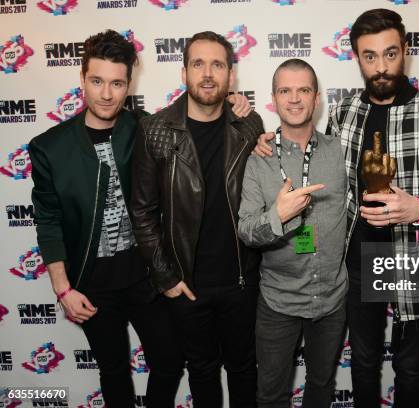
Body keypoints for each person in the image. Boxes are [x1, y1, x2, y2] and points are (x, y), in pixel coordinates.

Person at [254, 9, 419, 407]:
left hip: (413, 262)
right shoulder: (345, 113)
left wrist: (416, 207)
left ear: (406, 51)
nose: (381, 66)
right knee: (362, 363)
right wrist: (266, 139)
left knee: (411, 367)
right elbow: (313, 160)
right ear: (357, 58)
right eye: (370, 56)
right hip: (357, 263)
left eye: (390, 53)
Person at [30, 30, 183, 407]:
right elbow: (47, 220)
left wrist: (233, 105)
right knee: (113, 371)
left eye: (117, 83)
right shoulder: (50, 148)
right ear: (82, 78)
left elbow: (197, 117)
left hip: (147, 278)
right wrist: (63, 288)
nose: (106, 94)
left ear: (129, 84)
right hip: (92, 286)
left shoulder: (144, 128)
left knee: (168, 361)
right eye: (97, 81)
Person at [130, 31, 264, 408]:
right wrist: (166, 277)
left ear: (231, 76)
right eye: (198, 64)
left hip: (241, 279)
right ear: (184, 72)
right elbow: (141, 211)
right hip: (187, 284)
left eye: (217, 64)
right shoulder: (155, 131)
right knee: (202, 371)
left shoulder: (248, 125)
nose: (208, 73)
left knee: (243, 369)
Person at [238, 59, 347, 407]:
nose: (295, 99)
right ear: (273, 98)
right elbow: (245, 229)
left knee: (321, 386)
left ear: (316, 98)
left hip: (331, 298)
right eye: (285, 90)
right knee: (271, 395)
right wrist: (277, 216)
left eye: (303, 90)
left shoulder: (340, 151)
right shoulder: (259, 158)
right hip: (278, 301)